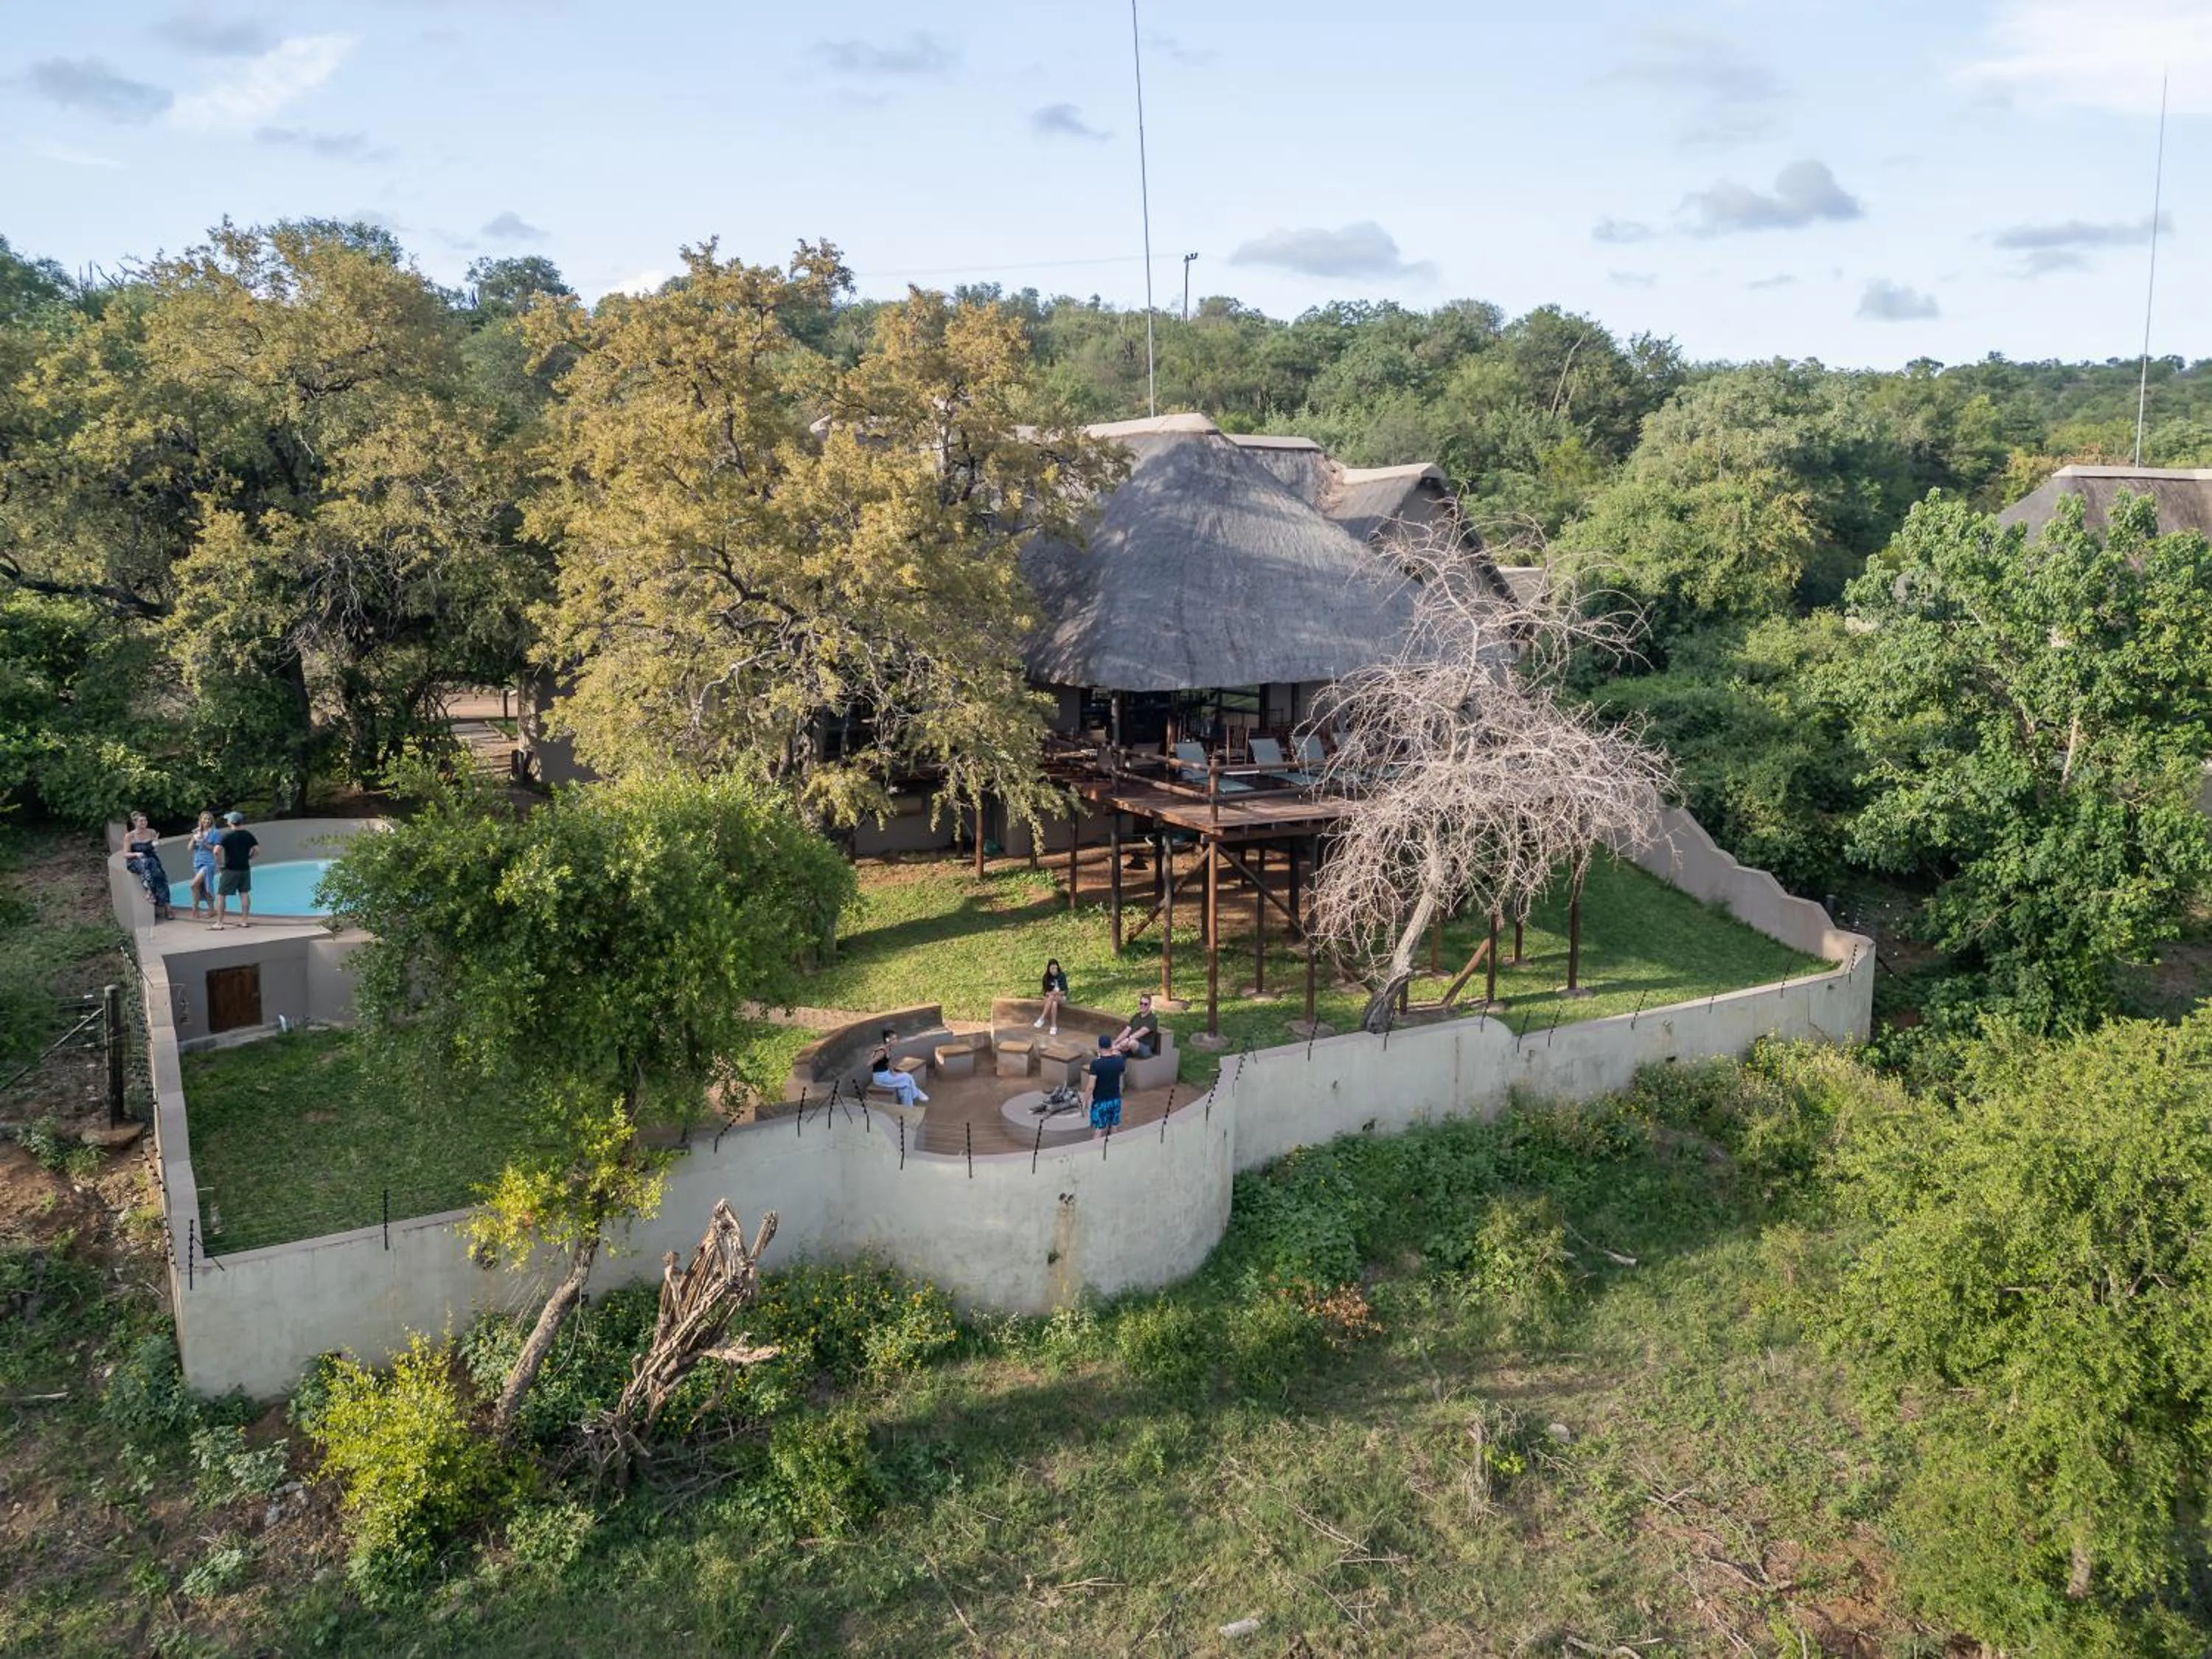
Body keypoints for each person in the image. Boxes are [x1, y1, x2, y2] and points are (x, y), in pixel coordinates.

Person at [122, 813, 174, 922]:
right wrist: (136, 854)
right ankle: (149, 891)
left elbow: (155, 850)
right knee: (145, 863)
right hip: (136, 860)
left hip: (151, 859)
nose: (144, 823)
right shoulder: (130, 836)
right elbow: (125, 854)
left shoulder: (152, 832)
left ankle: (168, 908)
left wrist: (156, 844)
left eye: (145, 821)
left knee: (160, 876)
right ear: (135, 823)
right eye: (141, 821)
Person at [212, 810, 258, 930]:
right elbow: (257, 850)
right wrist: (249, 857)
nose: (227, 821)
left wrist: (219, 864)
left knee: (221, 895)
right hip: (245, 868)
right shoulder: (248, 835)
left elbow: (216, 851)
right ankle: (244, 921)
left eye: (228, 820)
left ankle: (219, 923)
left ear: (231, 822)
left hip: (230, 869)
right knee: (244, 893)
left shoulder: (227, 836)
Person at [869, 1028, 928, 1107]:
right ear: (887, 1039)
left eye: (896, 1038)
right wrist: (875, 1057)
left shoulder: (887, 1048)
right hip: (881, 1078)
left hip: (887, 1074)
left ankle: (908, 1107)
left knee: (905, 1086)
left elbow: (888, 1062)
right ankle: (917, 1093)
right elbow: (869, 1063)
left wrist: (893, 1072)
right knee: (908, 1077)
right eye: (893, 1039)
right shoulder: (881, 1051)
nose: (896, 1040)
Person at [1087, 1034, 1126, 1138]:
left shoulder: (1096, 1064)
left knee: (1099, 1129)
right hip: (1115, 1099)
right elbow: (1121, 1071)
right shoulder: (1119, 1061)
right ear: (1111, 1046)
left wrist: (1085, 1100)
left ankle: (1095, 1151)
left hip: (1101, 1102)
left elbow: (1091, 1086)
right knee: (1114, 1126)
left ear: (1099, 1047)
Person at [187, 811, 221, 919]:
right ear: (200, 820)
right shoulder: (197, 832)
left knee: (193, 885)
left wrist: (204, 843)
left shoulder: (215, 833)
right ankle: (211, 910)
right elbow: (190, 848)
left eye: (208, 819)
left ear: (211, 821)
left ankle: (195, 909)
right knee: (202, 887)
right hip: (198, 862)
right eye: (204, 819)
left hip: (209, 863)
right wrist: (194, 838)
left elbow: (217, 849)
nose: (206, 821)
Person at [1110, 992, 1160, 1058]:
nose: (1143, 1006)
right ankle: (1111, 1051)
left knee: (1132, 1042)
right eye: (1141, 1003)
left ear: (1149, 1005)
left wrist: (1127, 1040)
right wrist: (1116, 1042)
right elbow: (1126, 1031)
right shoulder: (1136, 1016)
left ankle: (1112, 1049)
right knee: (1115, 1052)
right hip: (1131, 1046)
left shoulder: (1152, 1019)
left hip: (1145, 1049)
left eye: (1146, 1004)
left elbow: (1142, 1032)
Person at [1032, 959, 1068, 1035]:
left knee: (1052, 998)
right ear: (1049, 969)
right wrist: (1052, 994)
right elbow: (1045, 993)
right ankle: (1053, 1026)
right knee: (1054, 1003)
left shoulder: (1062, 975)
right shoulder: (1046, 977)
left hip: (1061, 998)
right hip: (1050, 998)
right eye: (1052, 968)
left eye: (1056, 968)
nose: (1054, 970)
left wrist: (1055, 994)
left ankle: (1042, 1018)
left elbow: (1064, 991)